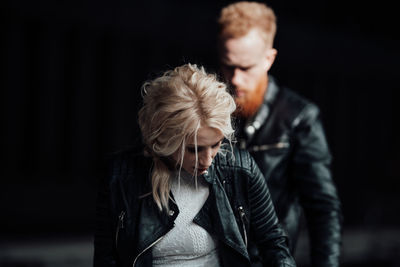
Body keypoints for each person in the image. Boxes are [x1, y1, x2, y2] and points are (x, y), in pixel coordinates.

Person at [93, 64, 296, 267]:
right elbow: (106, 259)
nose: (207, 160)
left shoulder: (241, 168)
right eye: (194, 149)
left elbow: (274, 243)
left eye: (215, 144)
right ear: (165, 139)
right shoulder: (120, 176)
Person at [217, 2, 342, 267]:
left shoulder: (299, 117)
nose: (236, 79)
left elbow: (323, 209)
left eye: (246, 67)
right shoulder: (206, 111)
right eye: (229, 66)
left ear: (268, 59)